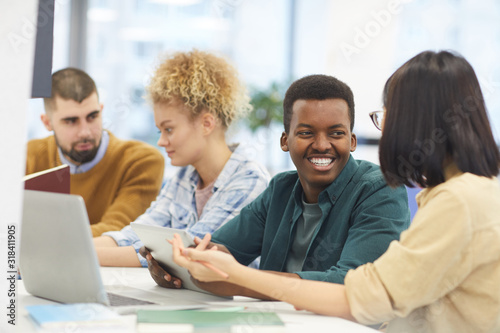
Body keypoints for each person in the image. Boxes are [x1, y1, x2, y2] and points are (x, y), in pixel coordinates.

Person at [172, 50, 500, 333]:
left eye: (387, 117)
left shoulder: (457, 201)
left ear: (415, 122)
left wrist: (241, 277)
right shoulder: (466, 194)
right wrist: (193, 263)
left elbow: (361, 296)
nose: (385, 132)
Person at [143, 74, 411, 295]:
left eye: (336, 133)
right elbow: (223, 249)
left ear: (352, 141)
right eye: (306, 133)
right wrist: (179, 263)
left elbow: (349, 283)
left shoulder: (381, 190)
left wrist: (242, 280)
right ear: (285, 141)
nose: (321, 144)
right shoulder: (281, 189)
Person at [94, 50, 270, 267]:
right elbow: (136, 234)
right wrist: (75, 247)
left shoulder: (249, 181)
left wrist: (78, 256)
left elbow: (183, 254)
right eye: (160, 131)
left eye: (169, 129)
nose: (161, 141)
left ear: (207, 123)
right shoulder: (185, 176)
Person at [26, 68, 165, 237]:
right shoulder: (28, 157)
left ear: (101, 110)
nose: (85, 132)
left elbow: (117, 232)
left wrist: (37, 236)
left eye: (92, 117)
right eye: (71, 121)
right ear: (47, 122)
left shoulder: (141, 161)